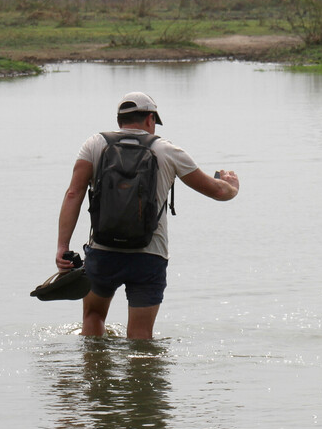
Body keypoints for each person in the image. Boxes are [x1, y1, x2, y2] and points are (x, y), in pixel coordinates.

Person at [55, 91, 239, 339]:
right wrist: (232, 187)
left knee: (93, 317)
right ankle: (141, 375)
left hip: (102, 252)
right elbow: (216, 191)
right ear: (150, 119)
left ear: (120, 119)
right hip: (149, 256)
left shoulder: (94, 145)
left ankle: (94, 374)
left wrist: (62, 247)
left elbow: (72, 194)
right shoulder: (168, 151)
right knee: (141, 335)